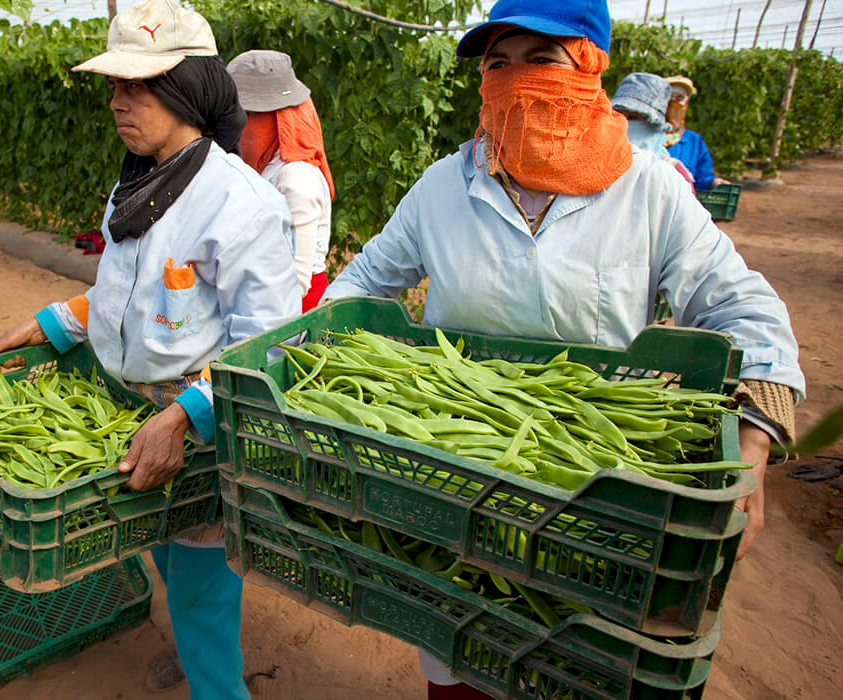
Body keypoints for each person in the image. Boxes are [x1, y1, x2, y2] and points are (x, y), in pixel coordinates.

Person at [321, 1, 804, 697]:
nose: (516, 79)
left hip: (598, 499)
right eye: (498, 63)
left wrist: (755, 442)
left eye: (541, 59)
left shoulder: (647, 190)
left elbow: (743, 306)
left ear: (589, 67)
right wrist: (323, 347)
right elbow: (365, 279)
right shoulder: (442, 188)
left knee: (574, 658)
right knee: (459, 649)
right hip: (457, 486)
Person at [0, 1, 300, 698]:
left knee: (201, 596)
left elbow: (268, 346)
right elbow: (125, 293)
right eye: (115, 87)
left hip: (200, 429)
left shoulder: (239, 204)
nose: (119, 102)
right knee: (161, 552)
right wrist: (55, 322)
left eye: (138, 85)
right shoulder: (137, 181)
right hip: (131, 416)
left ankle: (216, 682)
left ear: (186, 87)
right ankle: (197, 653)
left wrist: (186, 417)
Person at [227, 49, 335, 312]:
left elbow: (297, 279)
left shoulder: (296, 177)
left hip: (294, 313)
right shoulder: (270, 167)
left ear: (275, 119)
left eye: (247, 116)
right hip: (269, 301)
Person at [610, 71, 695, 189]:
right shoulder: (596, 167)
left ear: (654, 126)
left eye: (634, 118)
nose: (627, 124)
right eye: (621, 117)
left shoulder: (672, 174)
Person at [664, 75, 726, 190]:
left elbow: (702, 179)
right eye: (669, 97)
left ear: (686, 104)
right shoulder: (648, 136)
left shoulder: (694, 142)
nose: (673, 103)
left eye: (679, 99)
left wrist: (714, 182)